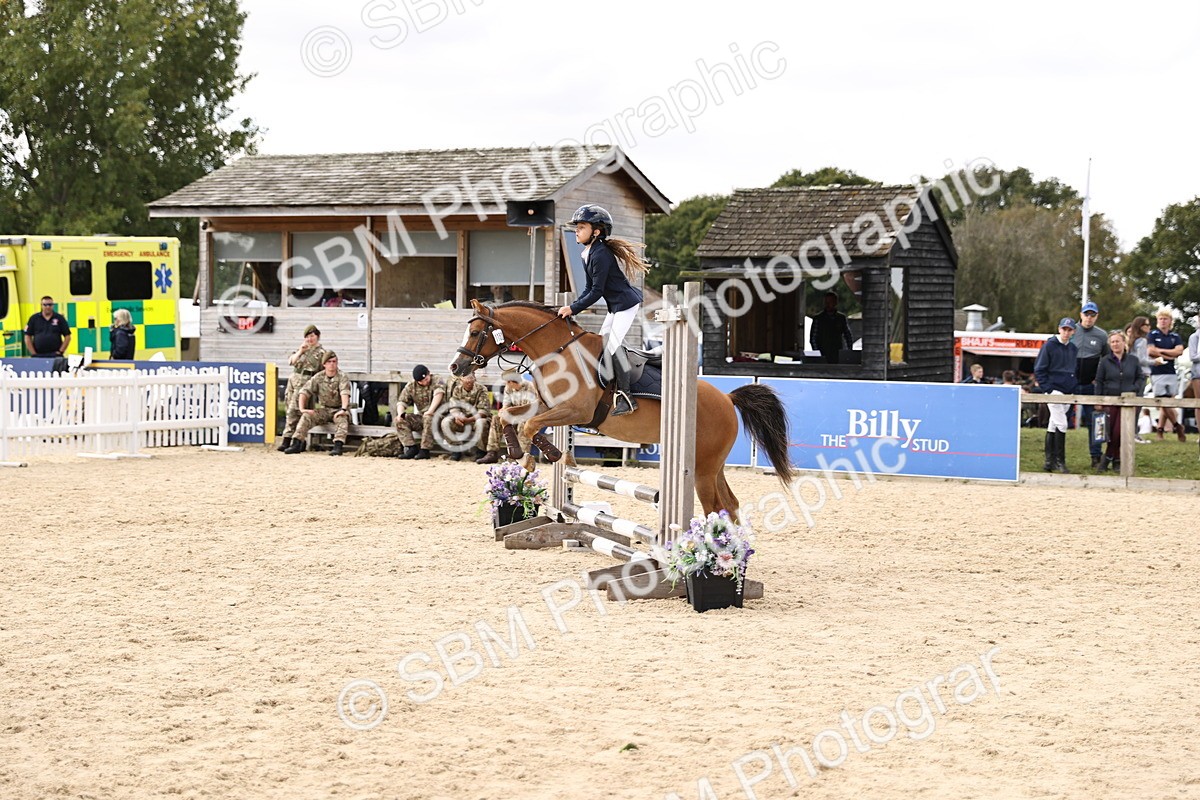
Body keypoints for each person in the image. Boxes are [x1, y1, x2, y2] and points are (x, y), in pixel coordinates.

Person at [556, 204, 649, 417]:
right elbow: (589, 288)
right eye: (577, 227)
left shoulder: (601, 255)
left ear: (596, 232)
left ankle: (627, 397)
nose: (577, 231)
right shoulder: (587, 254)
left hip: (626, 305)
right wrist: (573, 306)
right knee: (601, 343)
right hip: (615, 306)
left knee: (613, 346)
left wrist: (573, 308)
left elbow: (597, 292)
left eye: (582, 227)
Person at [285, 351, 352, 456]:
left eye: (334, 361)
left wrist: (343, 409)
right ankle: (296, 443)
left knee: (342, 419)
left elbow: (345, 393)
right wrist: (302, 409)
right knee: (306, 416)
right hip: (324, 409)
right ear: (324, 364)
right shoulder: (318, 377)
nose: (332, 364)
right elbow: (304, 391)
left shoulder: (342, 376)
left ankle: (338, 446)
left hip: (339, 409)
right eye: (329, 362)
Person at [1033, 317, 1078, 473]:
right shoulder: (1049, 346)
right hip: (1054, 390)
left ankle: (1049, 461)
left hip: (1068, 390)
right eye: (1064, 329)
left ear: (1073, 331)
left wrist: (1073, 385)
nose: (1066, 332)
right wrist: (1048, 389)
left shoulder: (1073, 348)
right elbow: (1039, 369)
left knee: (1053, 424)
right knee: (1062, 424)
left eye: (1069, 330)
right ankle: (1060, 461)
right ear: (1059, 329)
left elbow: (1074, 369)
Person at [1094, 329, 1141, 471]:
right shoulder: (1105, 361)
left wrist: (1133, 388)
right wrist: (1098, 400)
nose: (1115, 344)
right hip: (1110, 400)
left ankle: (1107, 458)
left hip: (1128, 401)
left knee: (1120, 432)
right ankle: (1116, 459)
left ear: (1124, 342)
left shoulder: (1133, 360)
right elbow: (1099, 380)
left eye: (1117, 341)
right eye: (1112, 342)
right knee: (1111, 432)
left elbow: (1140, 377)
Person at [277, 325, 328, 452]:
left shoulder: (321, 353)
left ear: (317, 336)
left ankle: (288, 440)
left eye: (312, 336)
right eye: (307, 337)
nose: (309, 339)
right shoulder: (302, 349)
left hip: (306, 383)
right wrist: (301, 351)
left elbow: (322, 371)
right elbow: (291, 361)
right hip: (294, 380)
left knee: (294, 411)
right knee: (290, 408)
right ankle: (297, 440)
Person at [1073, 301, 1110, 469]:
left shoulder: (1101, 335)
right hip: (1071, 384)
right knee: (1059, 420)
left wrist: (1100, 379)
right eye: (1086, 314)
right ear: (1081, 315)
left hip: (1090, 384)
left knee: (1095, 420)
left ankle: (1096, 456)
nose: (1089, 318)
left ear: (1096, 316)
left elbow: (1107, 360)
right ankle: (1055, 457)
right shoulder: (1071, 330)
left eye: (1092, 315)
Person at [477, 369, 539, 464]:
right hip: (515, 415)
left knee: (524, 423)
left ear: (511, 382)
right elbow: (506, 404)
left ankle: (520, 455)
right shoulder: (509, 388)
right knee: (497, 419)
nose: (506, 384)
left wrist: (511, 412)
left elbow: (529, 409)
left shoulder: (529, 387)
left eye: (506, 381)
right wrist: (503, 412)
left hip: (528, 416)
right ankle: (492, 452)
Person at [1147, 309, 1185, 442]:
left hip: (1171, 372)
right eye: (1160, 319)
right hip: (1157, 372)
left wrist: (1161, 351)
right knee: (1163, 401)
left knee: (1168, 402)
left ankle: (1160, 430)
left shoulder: (1175, 336)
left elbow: (1179, 351)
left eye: (1165, 319)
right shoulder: (1152, 334)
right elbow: (1151, 351)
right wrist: (1169, 354)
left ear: (1170, 321)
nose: (1163, 321)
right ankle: (1177, 426)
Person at [394, 364, 446, 460]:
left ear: (429, 373)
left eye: (426, 379)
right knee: (400, 420)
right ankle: (411, 447)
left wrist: (430, 411)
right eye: (421, 381)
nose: (425, 382)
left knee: (428, 417)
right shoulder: (411, 385)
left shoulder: (437, 379)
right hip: (423, 417)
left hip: (440, 417)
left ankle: (425, 450)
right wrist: (400, 413)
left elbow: (439, 394)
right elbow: (402, 401)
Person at [440, 370, 492, 461]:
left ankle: (481, 451)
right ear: (461, 380)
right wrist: (457, 416)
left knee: (481, 423)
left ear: (474, 379)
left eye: (470, 379)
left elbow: (483, 411)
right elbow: (454, 406)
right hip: (462, 421)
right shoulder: (457, 389)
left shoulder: (481, 389)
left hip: (476, 419)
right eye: (466, 379)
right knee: (446, 422)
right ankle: (456, 449)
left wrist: (469, 420)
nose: (468, 381)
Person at [810, 291, 854, 364]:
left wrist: (848, 352)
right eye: (826, 302)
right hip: (823, 354)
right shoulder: (818, 318)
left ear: (835, 303)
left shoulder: (841, 318)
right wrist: (817, 354)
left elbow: (848, 335)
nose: (827, 304)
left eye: (830, 302)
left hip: (837, 355)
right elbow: (813, 338)